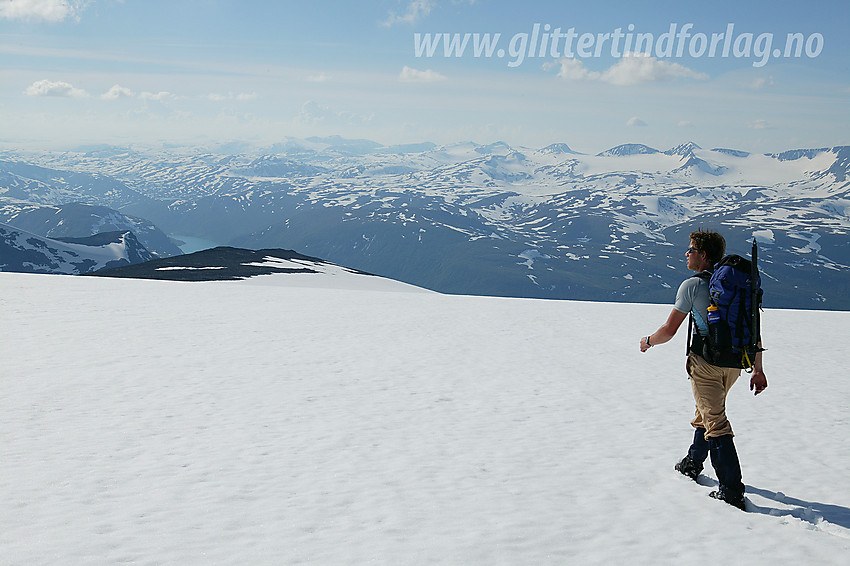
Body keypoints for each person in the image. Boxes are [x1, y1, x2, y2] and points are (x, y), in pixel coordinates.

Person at [639, 229, 767, 511]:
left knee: (716, 423)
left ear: (703, 255)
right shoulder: (738, 287)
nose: (686, 254)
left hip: (706, 363)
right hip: (735, 364)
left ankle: (731, 490)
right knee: (706, 411)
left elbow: (669, 331)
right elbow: (754, 329)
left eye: (691, 250)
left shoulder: (692, 285)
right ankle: (693, 463)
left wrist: (647, 342)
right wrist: (758, 368)